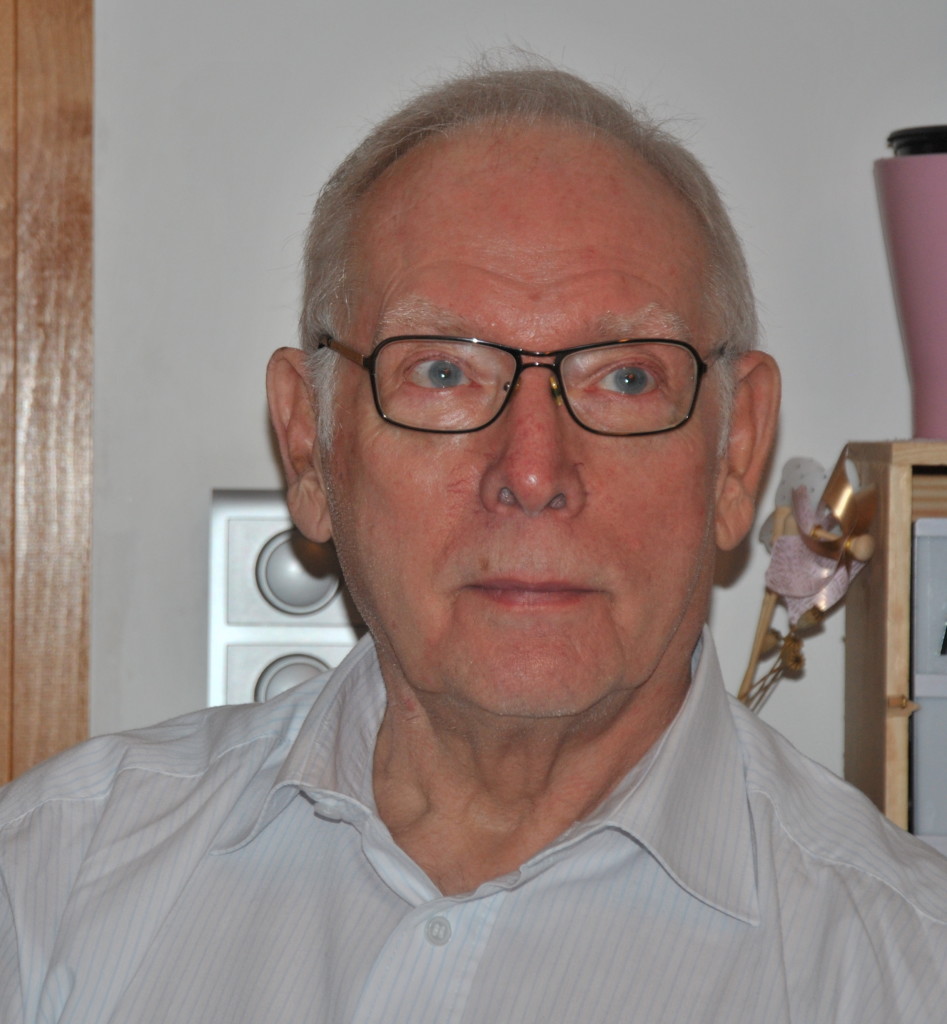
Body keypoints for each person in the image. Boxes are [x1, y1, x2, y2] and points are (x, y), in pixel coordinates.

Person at [2, 57, 946, 1024]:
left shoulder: (907, 970)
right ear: (311, 448)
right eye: (442, 372)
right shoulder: (47, 889)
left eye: (625, 377)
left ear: (734, 456)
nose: (532, 471)